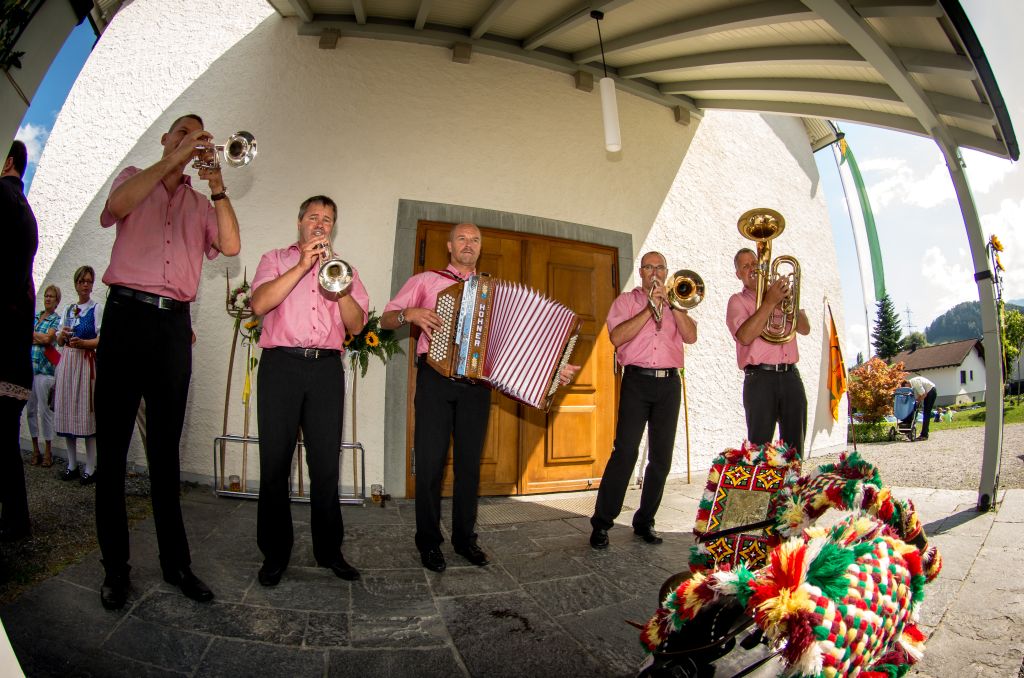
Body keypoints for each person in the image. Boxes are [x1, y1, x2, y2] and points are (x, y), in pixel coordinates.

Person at [94, 113, 240, 610]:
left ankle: (177, 565)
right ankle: (115, 569)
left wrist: (216, 185)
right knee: (113, 452)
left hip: (174, 326)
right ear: (165, 138)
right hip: (125, 317)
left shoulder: (200, 204)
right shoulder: (133, 177)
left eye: (199, 134)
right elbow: (116, 207)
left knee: (164, 453)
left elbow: (231, 245)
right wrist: (174, 159)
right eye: (183, 131)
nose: (192, 139)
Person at [380, 223, 577, 572]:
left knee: (469, 468)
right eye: (461, 238)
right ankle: (429, 542)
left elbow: (518, 345)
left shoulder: (494, 293)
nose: (468, 244)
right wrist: (408, 314)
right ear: (449, 245)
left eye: (474, 240)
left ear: (480, 248)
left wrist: (553, 368)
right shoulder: (426, 280)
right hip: (435, 380)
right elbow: (385, 320)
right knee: (429, 465)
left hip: (477, 387)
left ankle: (464, 540)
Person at [250, 195, 368, 586]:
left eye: (328, 219)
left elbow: (356, 326)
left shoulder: (344, 270)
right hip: (281, 366)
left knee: (326, 466)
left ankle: (330, 551)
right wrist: (302, 265)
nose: (320, 224)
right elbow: (259, 304)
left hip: (325, 369)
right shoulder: (275, 259)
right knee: (274, 464)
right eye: (314, 217)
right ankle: (274, 553)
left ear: (333, 228)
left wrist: (342, 289)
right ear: (300, 222)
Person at [589, 252, 698, 549]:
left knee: (661, 458)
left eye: (660, 267)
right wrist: (650, 308)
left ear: (666, 271)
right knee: (625, 452)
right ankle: (602, 523)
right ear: (641, 272)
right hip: (637, 381)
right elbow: (617, 337)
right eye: (649, 267)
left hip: (669, 384)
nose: (654, 272)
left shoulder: (677, 302)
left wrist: (672, 306)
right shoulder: (626, 302)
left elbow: (691, 336)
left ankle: (645, 521)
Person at [726, 248, 810, 455]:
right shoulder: (737, 300)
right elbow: (745, 336)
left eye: (756, 264)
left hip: (791, 376)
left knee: (794, 448)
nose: (753, 269)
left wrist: (789, 299)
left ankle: (793, 477)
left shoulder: (781, 295)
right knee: (759, 450)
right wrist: (770, 302)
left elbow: (805, 328)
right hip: (760, 379)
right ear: (738, 274)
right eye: (746, 266)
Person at [0, 140, 38, 542]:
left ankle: (15, 522)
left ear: (8, 161)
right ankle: (16, 520)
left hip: (2, 346)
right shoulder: (25, 210)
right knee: (5, 440)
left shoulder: (2, 195)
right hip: (15, 354)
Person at [54, 266, 101, 484]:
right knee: (66, 411)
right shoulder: (68, 309)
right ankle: (72, 464)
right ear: (76, 284)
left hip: (84, 363)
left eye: (89, 281)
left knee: (86, 413)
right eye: (82, 281)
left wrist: (84, 343)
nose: (85, 285)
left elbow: (101, 339)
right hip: (68, 362)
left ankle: (90, 467)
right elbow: (58, 340)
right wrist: (62, 335)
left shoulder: (96, 308)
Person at [28, 284, 61, 468]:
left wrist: (36, 336)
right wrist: (40, 337)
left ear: (57, 301)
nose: (48, 298)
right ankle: (35, 449)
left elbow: (49, 339)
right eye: (46, 295)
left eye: (52, 296)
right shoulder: (35, 316)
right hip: (29, 370)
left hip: (45, 372)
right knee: (30, 410)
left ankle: (48, 450)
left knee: (45, 412)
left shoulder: (56, 319)